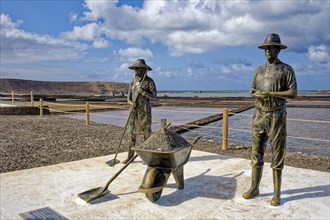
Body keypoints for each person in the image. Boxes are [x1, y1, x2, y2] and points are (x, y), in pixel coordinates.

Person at [242, 33, 297, 206]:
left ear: (278, 50)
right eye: (266, 48)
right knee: (256, 153)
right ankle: (254, 187)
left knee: (277, 154)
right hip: (259, 114)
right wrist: (254, 93)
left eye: (272, 47)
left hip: (277, 115)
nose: (268, 50)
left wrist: (270, 93)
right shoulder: (258, 70)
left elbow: (293, 93)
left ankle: (277, 193)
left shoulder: (286, 70)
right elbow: (252, 89)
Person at [122, 59, 157, 164]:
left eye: (138, 69)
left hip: (144, 112)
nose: (136, 71)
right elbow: (128, 97)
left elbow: (154, 96)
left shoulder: (149, 81)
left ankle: (146, 157)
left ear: (143, 70)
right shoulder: (133, 81)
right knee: (131, 134)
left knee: (146, 134)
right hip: (133, 111)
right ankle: (130, 156)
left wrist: (143, 93)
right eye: (135, 69)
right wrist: (130, 103)